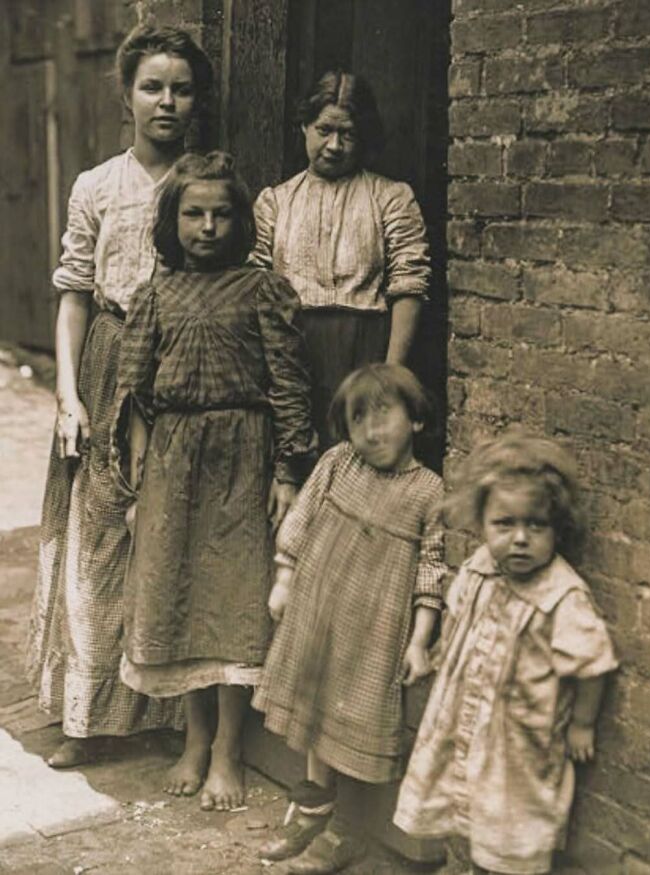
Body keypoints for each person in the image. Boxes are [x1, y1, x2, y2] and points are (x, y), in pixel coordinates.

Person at [26, 25, 214, 768]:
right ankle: (87, 717)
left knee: (168, 538)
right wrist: (68, 396)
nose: (167, 102)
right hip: (108, 365)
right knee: (97, 539)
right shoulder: (97, 185)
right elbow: (75, 295)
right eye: (152, 87)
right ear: (127, 94)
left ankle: (163, 713)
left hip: (184, 367)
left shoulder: (207, 185)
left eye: (182, 89)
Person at [111, 151, 316, 811]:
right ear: (172, 221)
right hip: (174, 458)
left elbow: (288, 385)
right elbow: (135, 389)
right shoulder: (155, 294)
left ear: (240, 221)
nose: (207, 227)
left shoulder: (262, 290)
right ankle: (194, 737)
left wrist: (287, 470)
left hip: (242, 455)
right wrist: (140, 468)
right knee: (178, 594)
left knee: (234, 599)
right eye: (193, 214)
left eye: (221, 214)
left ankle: (229, 746)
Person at [393, 433, 619, 875]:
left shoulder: (562, 594)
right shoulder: (479, 567)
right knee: (471, 806)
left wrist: (582, 723)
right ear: (481, 523)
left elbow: (593, 663)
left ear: (557, 528)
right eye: (504, 524)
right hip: (469, 718)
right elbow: (459, 616)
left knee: (510, 826)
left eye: (536, 526)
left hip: (518, 738)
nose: (519, 539)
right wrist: (439, 653)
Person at [253, 363, 448, 874]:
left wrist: (419, 640)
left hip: (375, 630)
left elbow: (431, 572)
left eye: (383, 415)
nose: (370, 431)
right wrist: (284, 579)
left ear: (416, 420)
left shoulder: (429, 491)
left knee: (354, 721)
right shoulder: (339, 462)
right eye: (358, 419)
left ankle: (345, 830)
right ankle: (312, 810)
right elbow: (300, 521)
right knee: (314, 708)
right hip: (318, 611)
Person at [249, 71, 430, 449]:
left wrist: (390, 374)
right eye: (324, 130)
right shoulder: (274, 203)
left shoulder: (391, 198)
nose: (334, 145)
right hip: (292, 353)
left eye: (347, 134)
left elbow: (409, 283)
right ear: (304, 126)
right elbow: (254, 287)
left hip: (365, 350)